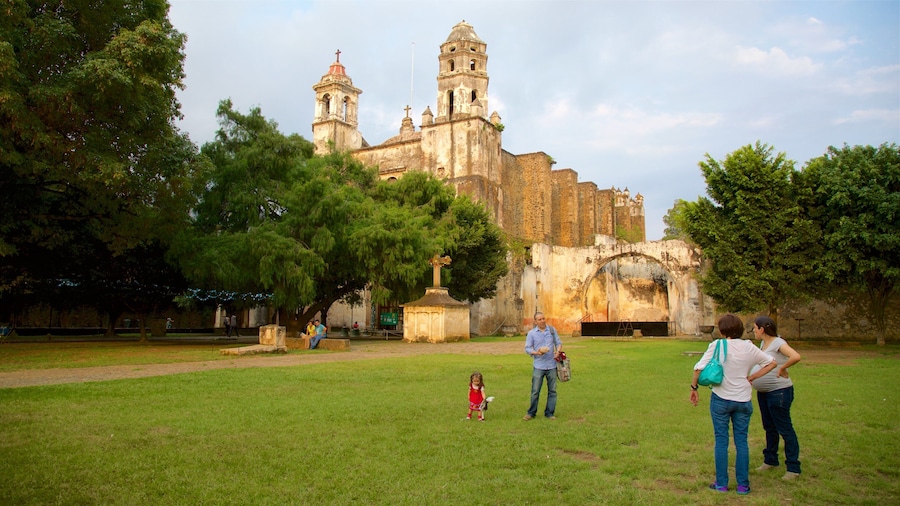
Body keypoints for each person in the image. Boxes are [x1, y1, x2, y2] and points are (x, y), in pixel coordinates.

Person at [690, 314, 776, 495]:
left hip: (721, 398)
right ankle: (743, 485)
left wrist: (694, 387)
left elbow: (698, 368)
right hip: (743, 400)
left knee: (721, 441)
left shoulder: (717, 345)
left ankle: (721, 483)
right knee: (741, 441)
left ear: (722, 331)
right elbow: (771, 363)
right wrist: (752, 377)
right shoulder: (749, 347)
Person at [750, 316, 802, 480]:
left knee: (785, 429)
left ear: (762, 329)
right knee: (769, 427)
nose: (753, 331)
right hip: (764, 393)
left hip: (779, 392)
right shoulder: (763, 343)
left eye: (754, 328)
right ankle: (770, 459)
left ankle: (793, 468)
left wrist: (783, 368)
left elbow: (795, 356)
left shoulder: (778, 343)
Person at [523, 311, 562, 421]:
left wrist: (557, 352)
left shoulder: (552, 330)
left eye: (543, 318)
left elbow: (558, 343)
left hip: (552, 365)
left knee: (552, 391)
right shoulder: (532, 333)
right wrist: (537, 352)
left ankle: (549, 413)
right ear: (535, 321)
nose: (542, 321)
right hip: (539, 366)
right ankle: (531, 412)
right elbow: (528, 348)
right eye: (539, 319)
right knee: (535, 391)